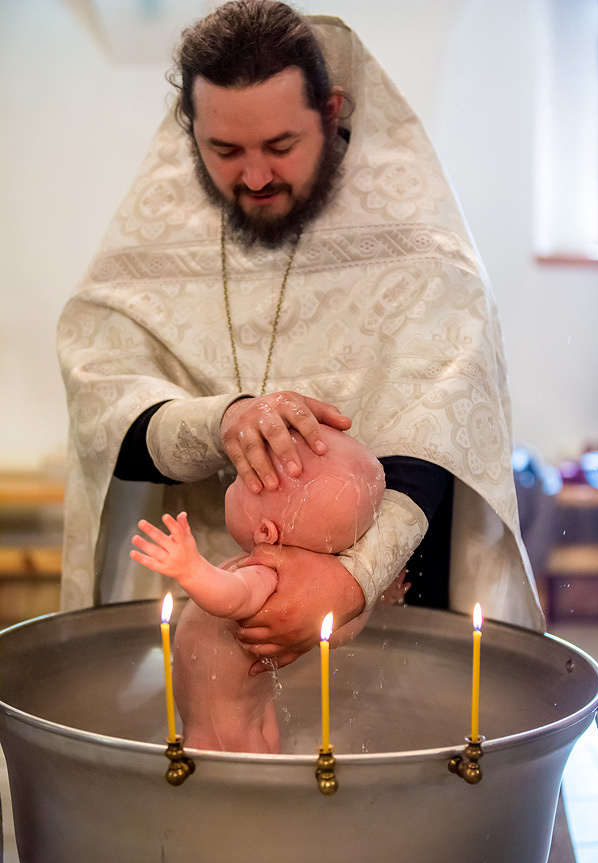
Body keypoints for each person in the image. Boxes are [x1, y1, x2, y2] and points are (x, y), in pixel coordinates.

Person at [57, 2, 544, 670]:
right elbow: (103, 405)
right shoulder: (150, 249)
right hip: (207, 607)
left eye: (281, 147)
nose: (254, 177)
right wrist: (223, 422)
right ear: (190, 128)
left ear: (332, 112)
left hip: (386, 619)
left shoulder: (422, 250)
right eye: (224, 151)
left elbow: (443, 428)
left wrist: (353, 578)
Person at [130, 426, 387, 751]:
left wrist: (190, 569)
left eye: (238, 482)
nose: (232, 481)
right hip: (251, 718)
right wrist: (369, 596)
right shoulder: (291, 582)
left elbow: (231, 598)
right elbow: (334, 631)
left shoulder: (264, 575)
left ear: (266, 531)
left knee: (223, 785)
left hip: (223, 734)